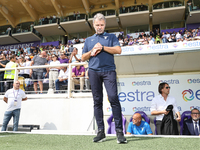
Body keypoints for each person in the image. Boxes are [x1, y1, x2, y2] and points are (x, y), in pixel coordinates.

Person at [81, 13, 127, 143]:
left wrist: (102, 48)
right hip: (93, 71)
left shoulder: (111, 37)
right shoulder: (89, 40)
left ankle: (119, 132)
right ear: (93, 25)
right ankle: (101, 132)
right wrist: (92, 52)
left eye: (101, 25)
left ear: (105, 25)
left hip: (109, 71)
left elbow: (118, 50)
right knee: (97, 101)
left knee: (113, 97)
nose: (99, 27)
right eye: (97, 25)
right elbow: (83, 57)